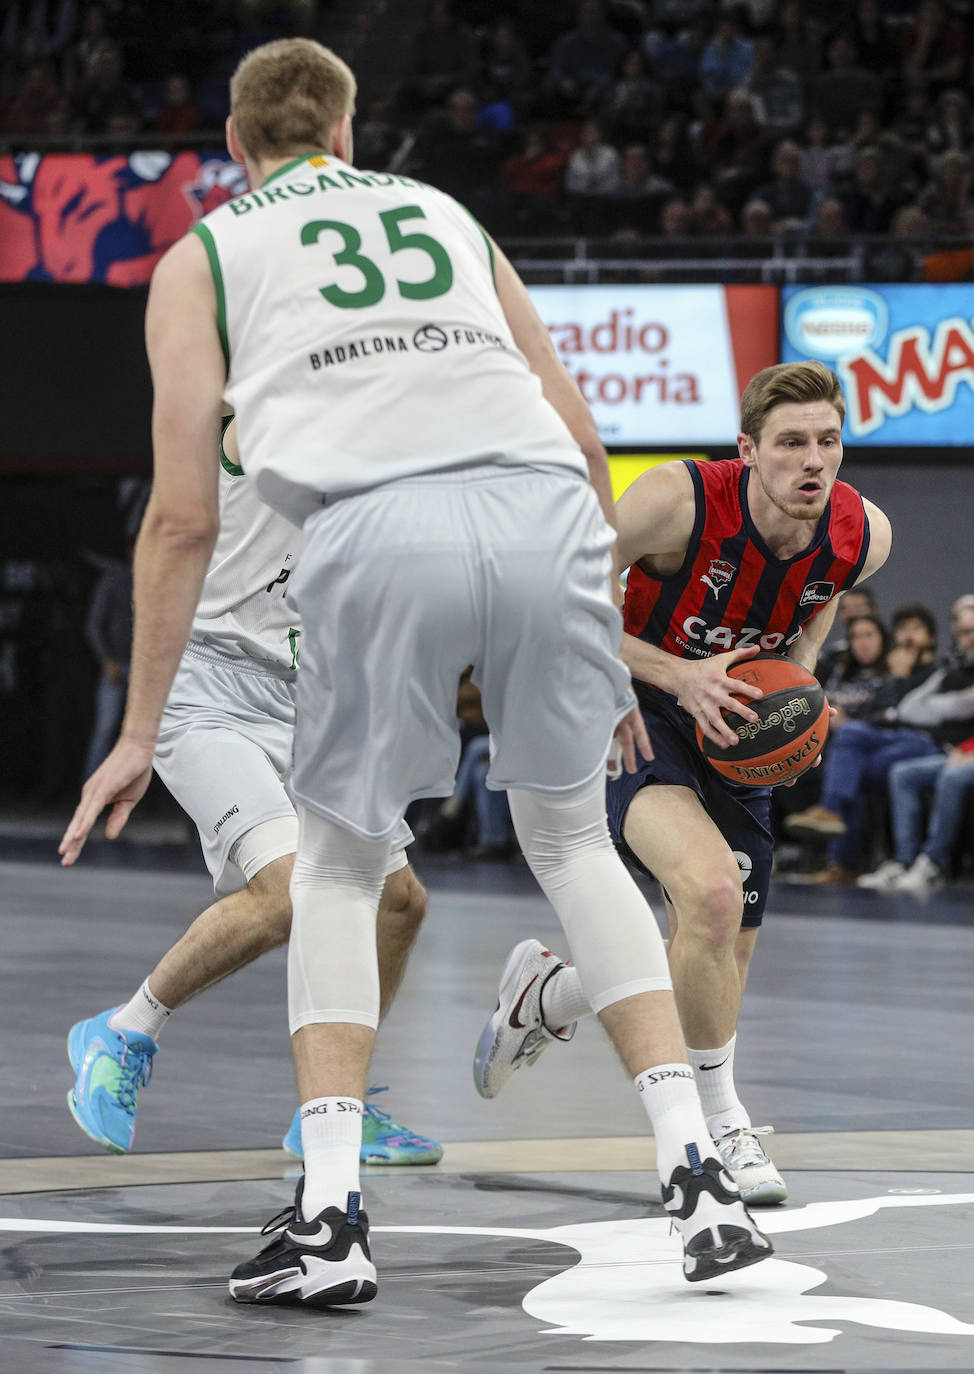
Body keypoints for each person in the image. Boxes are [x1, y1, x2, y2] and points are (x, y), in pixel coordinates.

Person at [59, 37, 772, 1309]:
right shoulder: (441, 210)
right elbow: (576, 422)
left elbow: (177, 522)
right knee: (572, 848)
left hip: (375, 528)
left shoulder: (203, 258)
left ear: (235, 147)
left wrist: (136, 723)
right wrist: (599, 634)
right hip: (549, 515)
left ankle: (329, 1215)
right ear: (346, 132)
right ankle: (698, 1179)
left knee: (338, 867)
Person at [474, 361, 891, 1205]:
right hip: (633, 704)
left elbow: (823, 594)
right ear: (748, 449)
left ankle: (553, 991)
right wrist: (675, 673)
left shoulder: (863, 533)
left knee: (713, 951)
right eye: (790, 444)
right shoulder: (677, 499)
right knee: (707, 896)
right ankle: (717, 1125)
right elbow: (567, 592)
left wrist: (802, 686)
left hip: (737, 717)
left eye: (828, 441)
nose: (813, 460)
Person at [67, 418, 439, 1165]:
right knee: (289, 891)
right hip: (205, 683)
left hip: (308, 699)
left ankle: (336, 1105)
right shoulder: (272, 415)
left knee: (401, 903)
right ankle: (125, 1029)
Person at [857, 600, 974, 894]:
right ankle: (905, 862)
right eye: (962, 633)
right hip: (959, 752)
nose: (967, 638)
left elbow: (966, 704)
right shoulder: (953, 668)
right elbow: (909, 708)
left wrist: (968, 742)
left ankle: (933, 863)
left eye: (972, 631)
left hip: (966, 754)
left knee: (951, 776)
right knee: (903, 773)